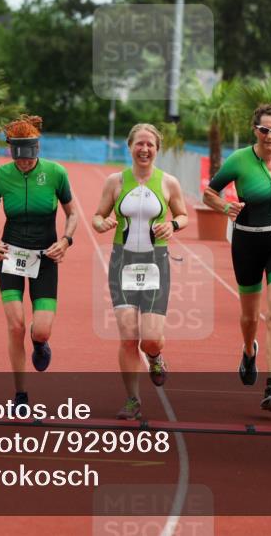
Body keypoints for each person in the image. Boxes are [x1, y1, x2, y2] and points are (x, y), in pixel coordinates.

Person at [202, 103, 271, 412]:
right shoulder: (239, 160)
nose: (270, 136)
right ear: (255, 129)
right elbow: (209, 193)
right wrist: (225, 207)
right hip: (248, 242)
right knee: (250, 317)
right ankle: (249, 351)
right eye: (264, 130)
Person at [0, 115, 78, 411]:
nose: (24, 162)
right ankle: (20, 395)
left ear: (37, 150)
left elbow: (72, 214)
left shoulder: (57, 173)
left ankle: (40, 342)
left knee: (41, 329)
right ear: (11, 150)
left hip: (45, 257)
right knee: (16, 326)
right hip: (10, 257)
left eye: (30, 156)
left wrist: (65, 241)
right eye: (18, 157)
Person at [92, 124, 189, 420]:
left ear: (157, 149)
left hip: (155, 262)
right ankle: (132, 399)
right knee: (127, 337)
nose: (144, 149)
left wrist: (171, 225)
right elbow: (97, 216)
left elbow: (183, 215)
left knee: (150, 339)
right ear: (130, 146)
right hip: (122, 262)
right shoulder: (115, 181)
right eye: (139, 144)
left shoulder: (169, 183)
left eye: (150, 145)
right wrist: (101, 224)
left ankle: (156, 356)